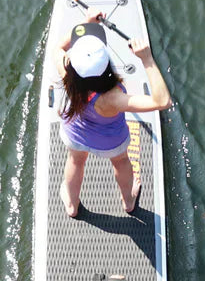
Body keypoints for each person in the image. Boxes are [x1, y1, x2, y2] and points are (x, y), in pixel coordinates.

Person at [54, 13, 172, 217]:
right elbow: (162, 101)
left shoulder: (66, 72)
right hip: (110, 142)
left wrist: (87, 24)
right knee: (121, 162)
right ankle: (128, 201)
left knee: (75, 162)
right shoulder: (114, 98)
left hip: (75, 135)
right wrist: (147, 59)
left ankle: (72, 206)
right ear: (107, 64)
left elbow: (58, 48)